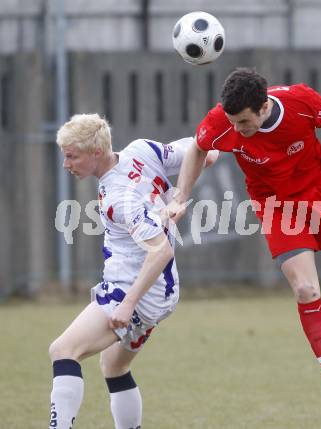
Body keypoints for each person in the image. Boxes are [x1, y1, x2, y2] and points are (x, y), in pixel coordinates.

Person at [167, 68, 321, 418]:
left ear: (264, 106)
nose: (238, 130)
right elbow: (199, 147)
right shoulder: (222, 120)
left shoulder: (299, 101)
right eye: (233, 122)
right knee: (306, 290)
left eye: (244, 122)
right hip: (275, 206)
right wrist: (180, 196)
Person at [48, 113, 218, 429]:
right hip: (164, 291)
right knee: (113, 367)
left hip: (134, 291)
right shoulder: (141, 151)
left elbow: (161, 250)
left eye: (72, 156)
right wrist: (184, 185)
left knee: (62, 350)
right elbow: (204, 151)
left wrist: (127, 304)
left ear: (95, 152)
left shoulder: (118, 197)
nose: (66, 164)